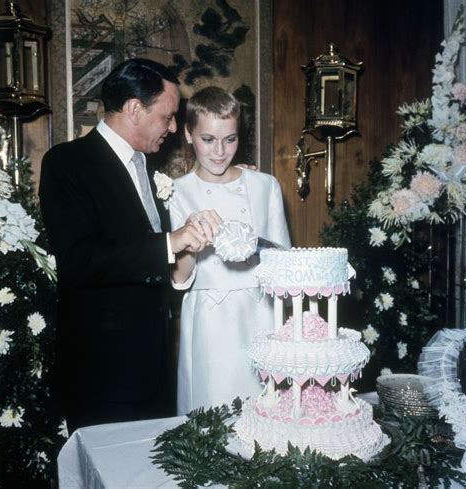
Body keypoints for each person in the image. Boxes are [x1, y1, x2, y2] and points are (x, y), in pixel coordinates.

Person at [38, 58, 219, 434]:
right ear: (135, 109)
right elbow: (79, 261)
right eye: (167, 116)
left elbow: (156, 262)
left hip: (156, 366)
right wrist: (169, 242)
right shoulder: (67, 163)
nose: (172, 128)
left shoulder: (152, 172)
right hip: (103, 373)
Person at [169, 86, 291, 415]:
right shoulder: (177, 193)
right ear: (189, 135)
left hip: (260, 314)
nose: (220, 151)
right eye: (208, 139)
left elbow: (283, 263)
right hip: (208, 320)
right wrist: (190, 242)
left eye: (231, 139)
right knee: (212, 409)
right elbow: (180, 279)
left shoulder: (265, 186)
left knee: (265, 411)